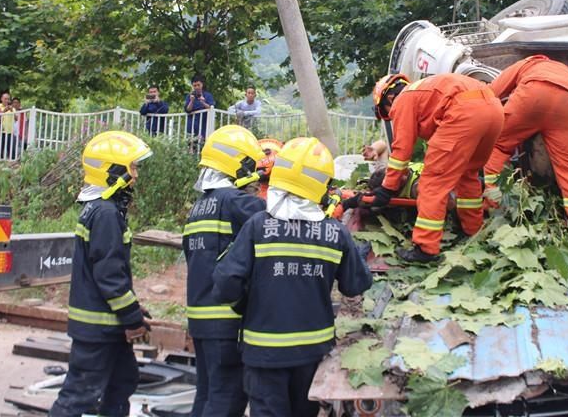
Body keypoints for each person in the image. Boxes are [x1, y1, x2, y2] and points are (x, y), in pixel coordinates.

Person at [212, 137, 373, 417]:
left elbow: (226, 283)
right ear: (323, 188)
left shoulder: (258, 226)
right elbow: (356, 285)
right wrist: (357, 256)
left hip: (263, 353)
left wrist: (246, 303)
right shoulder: (336, 233)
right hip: (312, 353)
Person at [346, 73, 504, 263]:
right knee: (468, 174)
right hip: (494, 110)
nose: (392, 117)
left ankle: (425, 249)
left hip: (464, 113)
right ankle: (472, 230)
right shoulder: (424, 91)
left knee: (432, 184)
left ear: (389, 98)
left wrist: (388, 188)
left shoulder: (403, 100)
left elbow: (401, 151)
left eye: (389, 114)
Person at [50, 131, 153, 417]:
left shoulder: (98, 209)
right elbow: (109, 275)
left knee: (122, 381)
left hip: (105, 325)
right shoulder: (106, 213)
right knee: (78, 396)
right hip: (99, 328)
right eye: (131, 168)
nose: (135, 176)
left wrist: (132, 308)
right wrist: (132, 318)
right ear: (113, 171)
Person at [183, 125, 266, 417]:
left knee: (207, 393)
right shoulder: (234, 201)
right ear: (240, 165)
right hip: (226, 319)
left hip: (201, 317)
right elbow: (276, 222)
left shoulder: (199, 206)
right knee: (226, 400)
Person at [482, 55, 568, 237]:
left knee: (496, 147)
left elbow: (490, 93)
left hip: (533, 94)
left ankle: (491, 211)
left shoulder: (528, 63)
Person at [185, 75, 215, 146]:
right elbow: (187, 110)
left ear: (202, 84)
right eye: (194, 85)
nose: (197, 87)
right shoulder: (189, 96)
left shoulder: (207, 95)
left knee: (203, 146)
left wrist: (203, 102)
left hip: (204, 127)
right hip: (191, 126)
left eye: (198, 85)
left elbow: (211, 108)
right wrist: (191, 101)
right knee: (191, 146)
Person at [0, 92, 18, 159]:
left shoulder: (13, 109)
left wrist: (12, 110)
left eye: (8, 99)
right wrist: (4, 111)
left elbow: (16, 119)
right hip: (0, 131)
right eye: (5, 99)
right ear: (1, 99)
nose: (7, 101)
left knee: (12, 150)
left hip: (10, 131)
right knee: (0, 149)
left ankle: (13, 163)